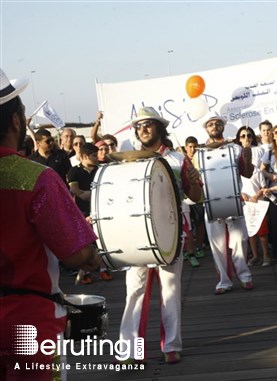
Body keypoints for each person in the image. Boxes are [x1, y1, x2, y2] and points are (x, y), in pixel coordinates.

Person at [0, 68, 100, 381]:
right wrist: (92, 252)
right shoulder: (36, 178)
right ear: (16, 121)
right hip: (25, 322)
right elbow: (76, 255)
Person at [119, 107, 202, 365]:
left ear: (159, 128)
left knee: (170, 290)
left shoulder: (178, 159)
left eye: (147, 125)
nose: (142, 129)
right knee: (134, 291)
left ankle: (172, 346)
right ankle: (131, 350)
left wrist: (195, 181)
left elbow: (196, 197)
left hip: (171, 232)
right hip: (137, 236)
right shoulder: (130, 161)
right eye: (139, 126)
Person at [200, 112, 254, 295]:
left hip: (234, 200)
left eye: (217, 123)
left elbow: (247, 173)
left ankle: (245, 275)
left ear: (223, 126)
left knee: (240, 240)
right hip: (210, 203)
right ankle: (224, 281)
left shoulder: (235, 148)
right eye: (210, 124)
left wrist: (247, 155)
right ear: (206, 129)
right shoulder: (199, 152)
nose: (214, 126)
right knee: (217, 245)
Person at [67, 142, 114, 284]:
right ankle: (86, 272)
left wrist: (90, 193)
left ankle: (103, 269)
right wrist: (91, 193)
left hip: (99, 209)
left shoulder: (100, 170)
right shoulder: (74, 171)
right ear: (85, 156)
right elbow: (76, 191)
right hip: (81, 212)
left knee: (102, 240)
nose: (97, 157)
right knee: (85, 242)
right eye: (94, 155)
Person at [234, 126, 271, 267]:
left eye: (249, 136)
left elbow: (263, 187)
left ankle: (266, 256)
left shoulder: (256, 171)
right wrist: (241, 194)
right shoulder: (235, 169)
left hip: (258, 204)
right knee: (250, 232)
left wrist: (257, 195)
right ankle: (255, 256)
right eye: (242, 136)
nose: (246, 139)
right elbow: (235, 185)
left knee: (262, 233)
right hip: (245, 204)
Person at [182, 136, 205, 266]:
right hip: (185, 199)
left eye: (195, 146)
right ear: (186, 147)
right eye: (190, 147)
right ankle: (187, 249)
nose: (193, 149)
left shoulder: (200, 158)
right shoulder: (181, 159)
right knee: (187, 226)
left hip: (198, 196)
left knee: (199, 222)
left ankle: (199, 247)